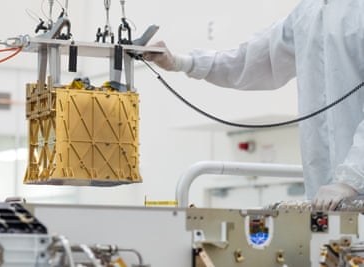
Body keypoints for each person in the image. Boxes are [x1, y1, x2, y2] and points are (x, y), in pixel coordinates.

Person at [144, 0, 364, 211]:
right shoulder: (307, 13)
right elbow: (249, 60)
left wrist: (351, 180)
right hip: (326, 202)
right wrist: (181, 62)